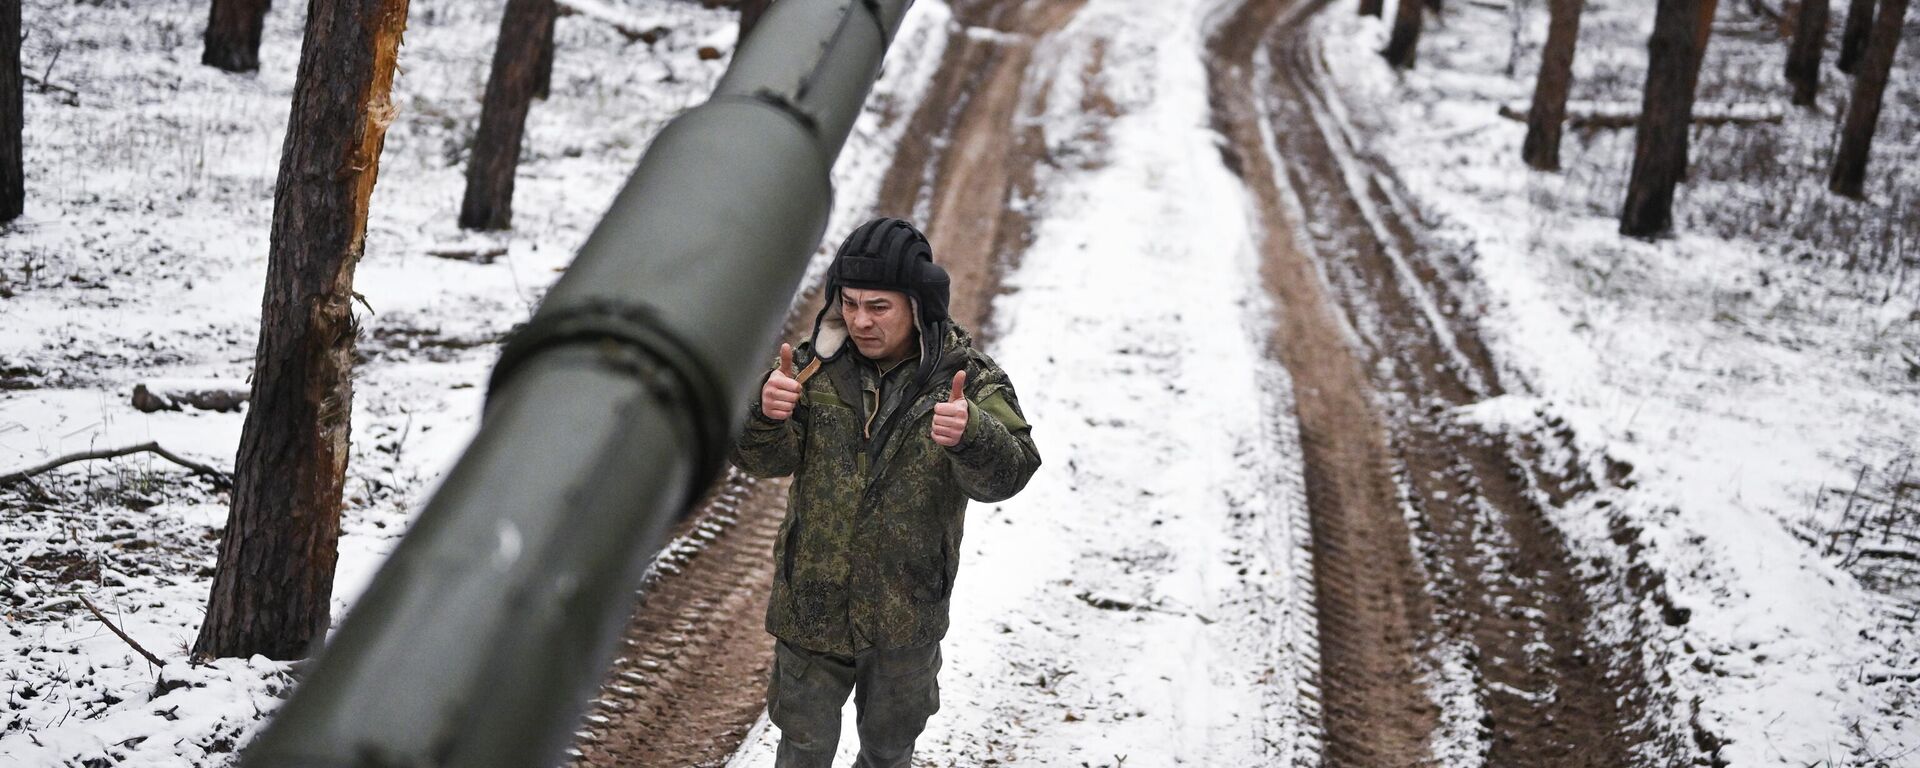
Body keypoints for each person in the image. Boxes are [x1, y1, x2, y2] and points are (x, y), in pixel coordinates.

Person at [730, 217, 1042, 768]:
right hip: (813, 606)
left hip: (907, 612)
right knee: (801, 749)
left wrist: (972, 436)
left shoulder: (967, 380)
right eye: (849, 303)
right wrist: (764, 415)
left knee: (888, 752)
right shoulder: (809, 371)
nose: (859, 320)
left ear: (917, 307)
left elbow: (1012, 472)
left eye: (879, 306)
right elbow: (762, 460)